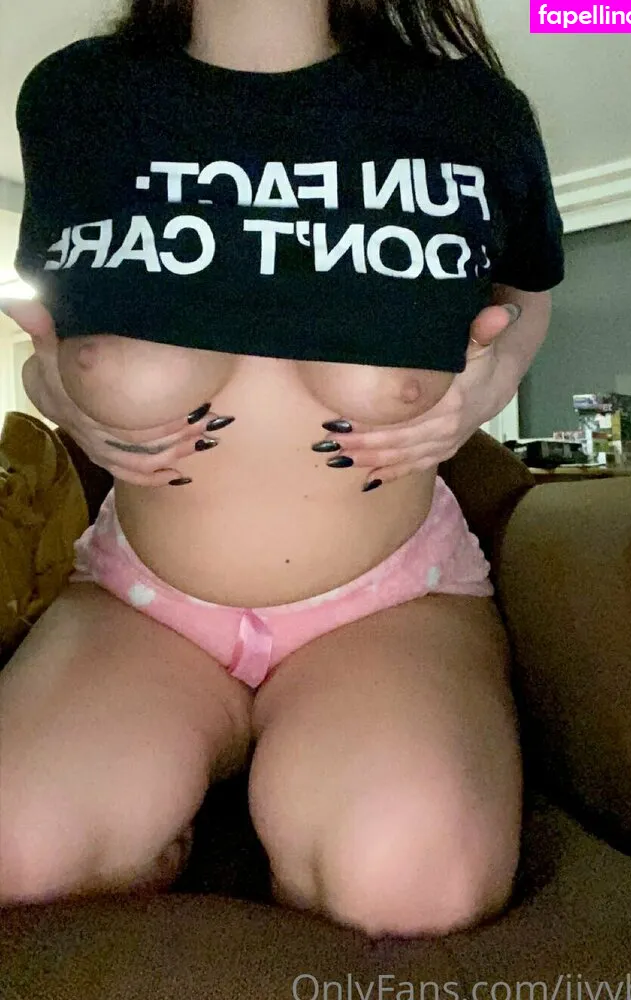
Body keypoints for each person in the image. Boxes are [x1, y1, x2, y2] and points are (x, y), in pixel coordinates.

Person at [0, 0, 563, 937]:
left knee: (409, 883)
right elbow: (50, 340)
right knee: (15, 849)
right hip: (140, 606)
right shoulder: (78, 98)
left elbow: (528, 296)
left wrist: (491, 381)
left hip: (390, 602)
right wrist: (61, 394)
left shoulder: (467, 111)